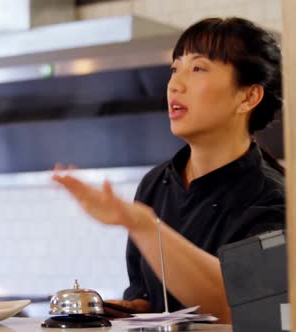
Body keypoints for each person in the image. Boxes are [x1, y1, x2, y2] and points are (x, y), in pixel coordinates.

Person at [52, 17, 285, 324]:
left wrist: (144, 226)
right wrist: (122, 309)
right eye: (175, 69)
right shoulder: (155, 184)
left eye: (198, 68)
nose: (175, 84)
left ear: (248, 97)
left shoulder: (274, 200)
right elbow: (148, 298)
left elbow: (244, 304)